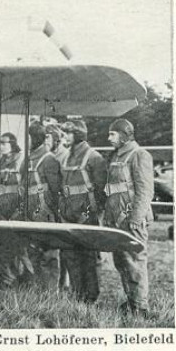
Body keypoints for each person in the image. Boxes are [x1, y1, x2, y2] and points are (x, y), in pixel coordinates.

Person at [104, 118, 154, 316]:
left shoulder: (139, 155)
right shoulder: (116, 156)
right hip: (117, 219)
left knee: (135, 262)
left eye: (113, 134)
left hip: (131, 220)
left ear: (124, 135)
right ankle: (131, 301)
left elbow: (145, 190)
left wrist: (136, 218)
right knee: (122, 262)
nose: (109, 138)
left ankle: (141, 307)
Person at [58, 118, 107, 304]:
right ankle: (77, 295)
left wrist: (90, 213)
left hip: (86, 216)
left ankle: (91, 296)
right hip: (68, 215)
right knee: (70, 255)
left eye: (68, 133)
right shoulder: (66, 157)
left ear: (77, 134)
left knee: (87, 257)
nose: (64, 137)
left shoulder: (94, 157)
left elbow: (102, 192)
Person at [26, 122, 62, 291]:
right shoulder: (28, 159)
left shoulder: (49, 159)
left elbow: (56, 190)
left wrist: (52, 212)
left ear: (34, 138)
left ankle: (50, 291)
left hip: (44, 210)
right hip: (30, 209)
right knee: (33, 251)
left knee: (48, 254)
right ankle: (39, 287)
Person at [0, 133, 26, 286]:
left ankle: (19, 277)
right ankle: (7, 279)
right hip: (2, 207)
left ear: (12, 143)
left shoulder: (22, 159)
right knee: (2, 246)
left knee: (17, 247)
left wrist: (19, 209)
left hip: (16, 207)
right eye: (0, 143)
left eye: (5, 143)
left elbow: (25, 187)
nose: (2, 146)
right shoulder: (0, 162)